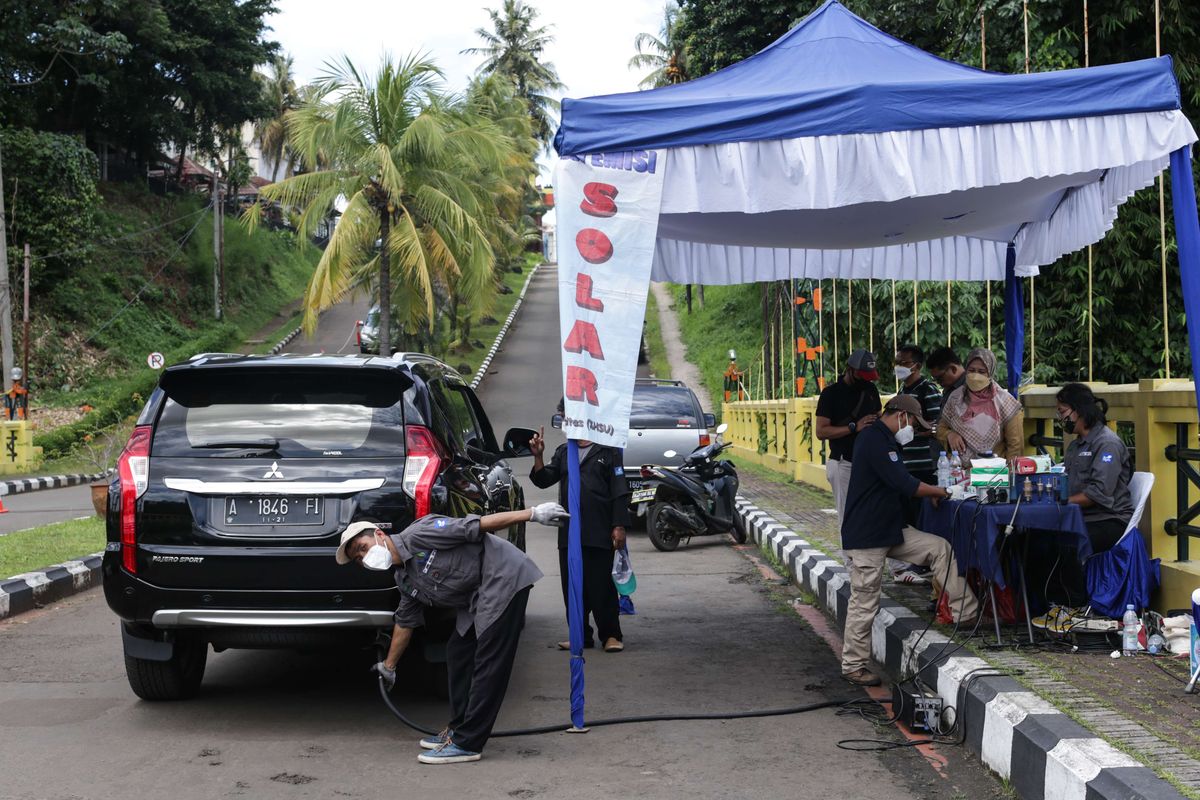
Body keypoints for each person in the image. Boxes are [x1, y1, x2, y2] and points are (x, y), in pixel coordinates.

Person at [337, 503, 566, 764]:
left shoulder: (420, 533)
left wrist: (533, 514)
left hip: (502, 576)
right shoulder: (405, 579)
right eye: (358, 558)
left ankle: (469, 743)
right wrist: (389, 666)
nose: (364, 557)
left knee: (489, 664)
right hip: (476, 597)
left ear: (379, 534)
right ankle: (458, 728)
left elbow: (479, 525)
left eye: (363, 548)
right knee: (457, 652)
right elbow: (405, 622)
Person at [839, 394, 980, 686]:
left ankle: (965, 614)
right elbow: (904, 484)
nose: (913, 432)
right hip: (868, 535)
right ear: (902, 415)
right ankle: (853, 665)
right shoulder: (875, 439)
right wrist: (940, 492)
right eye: (914, 425)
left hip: (890, 528)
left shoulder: (885, 439)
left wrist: (934, 492)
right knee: (865, 600)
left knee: (939, 549)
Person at [529, 415, 630, 653]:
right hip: (570, 533)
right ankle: (580, 635)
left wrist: (619, 525)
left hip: (599, 530)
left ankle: (611, 635)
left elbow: (619, 490)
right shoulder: (564, 451)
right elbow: (544, 479)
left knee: (602, 586)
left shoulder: (607, 451)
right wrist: (538, 456)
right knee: (573, 587)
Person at [1032, 383, 1134, 607]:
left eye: (1062, 412)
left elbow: (1098, 493)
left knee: (1067, 544)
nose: (1060, 418)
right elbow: (1066, 481)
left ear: (1078, 409)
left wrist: (1061, 501)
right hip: (1077, 516)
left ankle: (1074, 605)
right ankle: (1041, 605)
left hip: (1108, 519)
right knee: (1034, 539)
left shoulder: (1107, 444)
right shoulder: (1076, 446)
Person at [890, 345, 944, 585]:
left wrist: (912, 431)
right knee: (907, 515)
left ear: (917, 366)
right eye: (897, 361)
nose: (898, 366)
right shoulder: (904, 389)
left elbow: (937, 427)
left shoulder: (928, 390)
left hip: (924, 464)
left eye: (903, 362)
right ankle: (913, 563)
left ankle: (923, 564)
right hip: (905, 463)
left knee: (922, 516)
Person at [815, 349, 882, 524]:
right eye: (862, 376)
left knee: (870, 515)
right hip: (843, 463)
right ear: (849, 369)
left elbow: (879, 415)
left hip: (869, 462)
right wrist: (853, 428)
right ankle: (848, 553)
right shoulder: (831, 394)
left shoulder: (870, 390)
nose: (866, 381)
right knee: (847, 517)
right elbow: (821, 432)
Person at [937, 348, 1024, 463]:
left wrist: (1009, 475)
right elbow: (941, 428)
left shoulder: (1005, 402)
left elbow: (1015, 446)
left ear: (990, 373)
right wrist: (949, 435)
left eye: (981, 372)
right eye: (971, 370)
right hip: (959, 473)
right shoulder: (955, 398)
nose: (975, 376)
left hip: (993, 474)